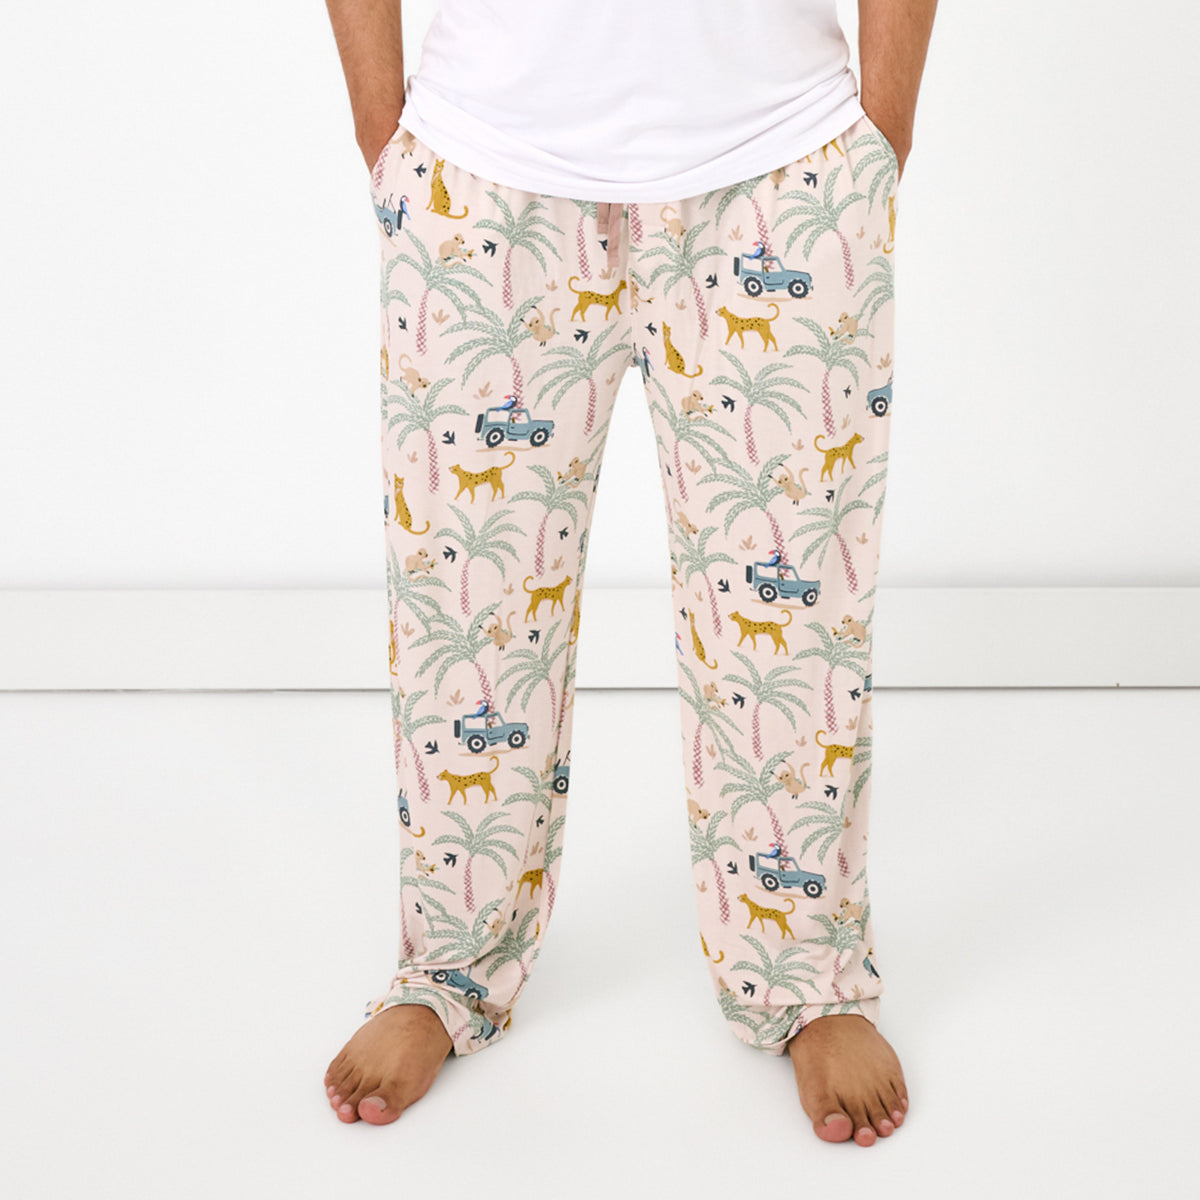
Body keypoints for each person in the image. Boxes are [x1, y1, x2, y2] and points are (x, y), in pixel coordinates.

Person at [323, 0, 937, 1148]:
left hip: (780, 159)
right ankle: (447, 965)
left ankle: (806, 975)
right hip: (481, 165)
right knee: (468, 607)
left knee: (791, 618)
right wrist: (381, 127)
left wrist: (880, 134)